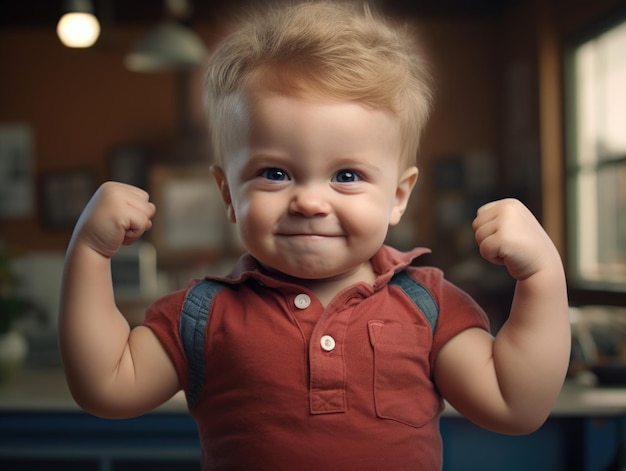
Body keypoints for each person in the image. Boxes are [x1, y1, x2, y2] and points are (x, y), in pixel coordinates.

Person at [59, 2, 571, 470]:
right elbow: (107, 386)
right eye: (275, 174)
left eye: (346, 176)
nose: (309, 201)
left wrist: (544, 276)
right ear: (228, 193)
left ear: (397, 196)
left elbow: (514, 404)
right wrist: (88, 252)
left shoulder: (426, 305)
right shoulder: (205, 315)